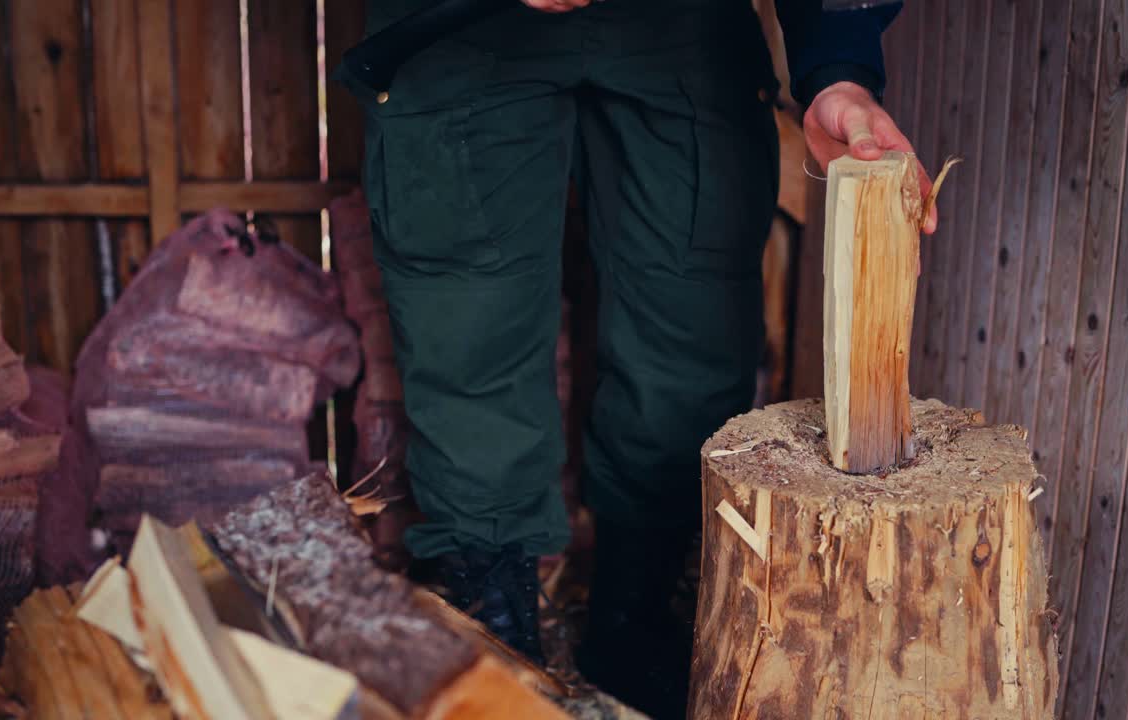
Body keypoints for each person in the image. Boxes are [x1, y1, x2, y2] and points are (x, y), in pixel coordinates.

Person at [359, 1, 933, 716]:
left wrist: (839, 65)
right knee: (464, 322)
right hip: (459, 24)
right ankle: (491, 614)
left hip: (681, 26)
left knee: (691, 319)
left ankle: (639, 615)